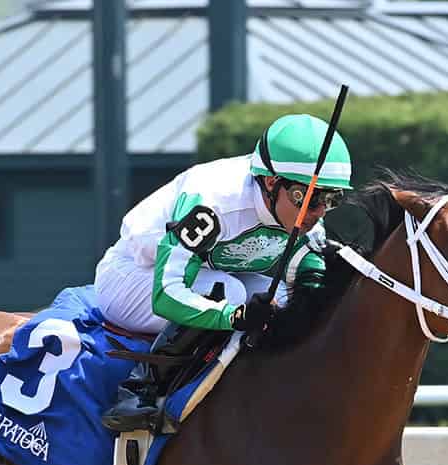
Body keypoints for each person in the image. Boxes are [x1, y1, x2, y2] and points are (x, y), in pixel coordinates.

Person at [97, 113, 352, 432]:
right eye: (310, 199)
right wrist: (234, 316)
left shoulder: (299, 208)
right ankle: (140, 389)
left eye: (331, 199)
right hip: (134, 276)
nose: (318, 213)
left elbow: (309, 262)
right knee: (228, 293)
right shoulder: (213, 202)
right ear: (272, 182)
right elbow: (166, 294)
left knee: (284, 298)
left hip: (208, 270)